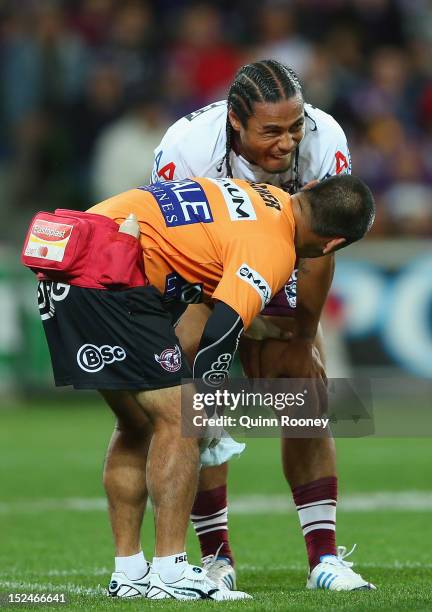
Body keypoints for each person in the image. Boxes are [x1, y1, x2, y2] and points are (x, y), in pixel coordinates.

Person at [27, 174, 373, 600]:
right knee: (180, 418)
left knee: (137, 423)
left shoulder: (258, 195)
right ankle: (171, 574)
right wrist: (206, 410)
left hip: (67, 257)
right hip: (109, 273)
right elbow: (220, 334)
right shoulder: (274, 246)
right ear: (332, 244)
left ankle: (129, 573)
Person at [147, 59, 372, 592]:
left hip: (286, 257)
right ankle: (214, 559)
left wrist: (299, 335)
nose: (287, 143)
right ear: (234, 124)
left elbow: (320, 249)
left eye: (294, 128)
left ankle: (325, 558)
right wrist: (234, 326)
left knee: (305, 392)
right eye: (270, 131)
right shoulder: (184, 147)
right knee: (202, 400)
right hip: (200, 272)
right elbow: (174, 246)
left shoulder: (325, 138)